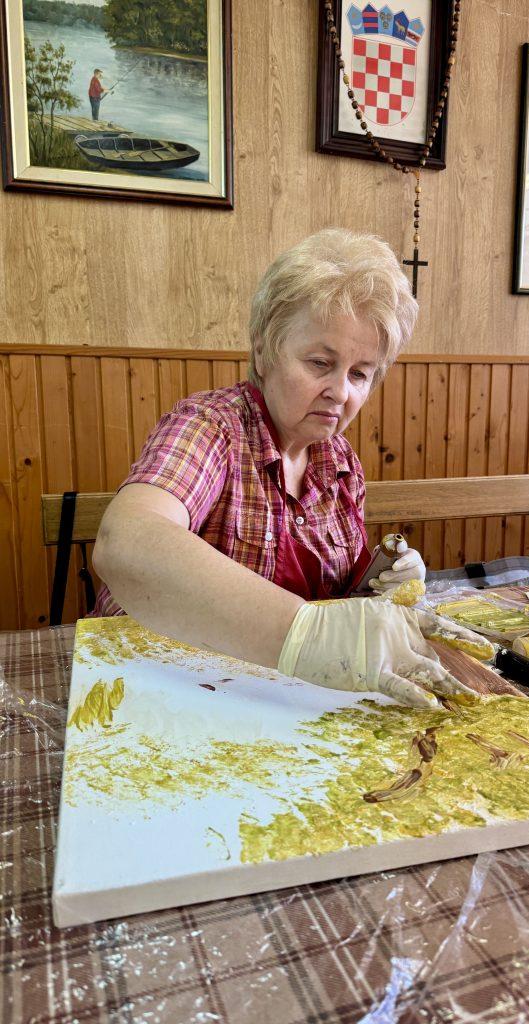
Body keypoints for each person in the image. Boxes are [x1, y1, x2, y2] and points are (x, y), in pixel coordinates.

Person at [92, 229, 466, 708]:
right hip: (161, 688)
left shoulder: (339, 461)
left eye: (359, 373)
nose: (341, 392)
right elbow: (124, 542)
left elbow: (339, 605)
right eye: (320, 363)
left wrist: (382, 586)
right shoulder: (211, 428)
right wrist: (307, 632)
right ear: (264, 351)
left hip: (275, 698)